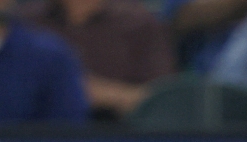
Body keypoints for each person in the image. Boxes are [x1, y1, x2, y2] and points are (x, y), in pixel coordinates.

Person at [18, 0, 176, 119]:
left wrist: (104, 93)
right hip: (38, 136)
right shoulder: (24, 21)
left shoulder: (139, 23)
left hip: (121, 137)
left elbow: (163, 99)